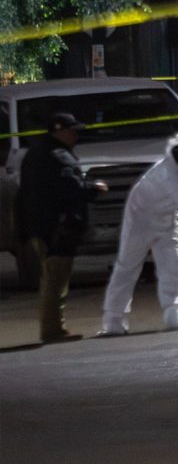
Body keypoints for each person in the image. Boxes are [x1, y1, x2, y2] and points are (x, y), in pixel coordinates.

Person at [100, 135, 178, 335]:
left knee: (172, 266)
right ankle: (113, 318)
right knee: (127, 265)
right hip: (140, 217)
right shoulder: (168, 171)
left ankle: (176, 312)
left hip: (166, 218)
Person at [17, 113, 107, 343]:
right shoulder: (57, 155)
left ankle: (53, 327)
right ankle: (52, 330)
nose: (76, 135)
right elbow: (68, 189)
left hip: (42, 226)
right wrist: (92, 190)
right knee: (55, 280)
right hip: (57, 227)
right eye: (72, 131)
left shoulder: (36, 152)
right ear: (59, 131)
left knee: (52, 278)